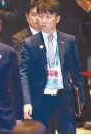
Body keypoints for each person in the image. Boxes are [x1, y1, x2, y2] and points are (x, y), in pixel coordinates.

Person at [20, 0, 85, 133]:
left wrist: (81, 98)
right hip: (40, 100)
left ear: (57, 19)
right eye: (41, 16)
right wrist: (26, 101)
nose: (43, 20)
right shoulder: (29, 43)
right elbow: (24, 74)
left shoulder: (69, 40)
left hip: (64, 100)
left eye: (48, 17)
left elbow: (76, 71)